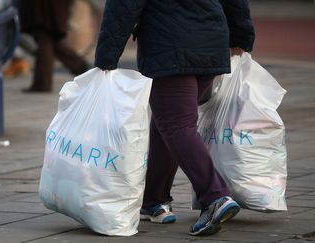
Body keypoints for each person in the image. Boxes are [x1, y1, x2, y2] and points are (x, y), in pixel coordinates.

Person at [94, 0, 255, 236]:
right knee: (167, 121)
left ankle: (215, 197)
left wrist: (106, 59)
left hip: (168, 44)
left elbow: (123, 6)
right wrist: (241, 38)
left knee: (176, 124)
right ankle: (153, 200)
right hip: (211, 41)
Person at [17, 0, 90, 92]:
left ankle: (43, 83)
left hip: (45, 6)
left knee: (45, 37)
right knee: (49, 39)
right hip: (48, 6)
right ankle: (80, 66)